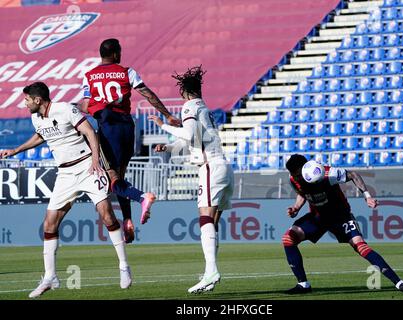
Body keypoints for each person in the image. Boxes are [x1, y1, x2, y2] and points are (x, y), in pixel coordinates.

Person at [0, 82, 132, 298]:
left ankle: (124, 266)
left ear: (37, 100)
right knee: (49, 223)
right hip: (65, 174)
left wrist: (96, 162)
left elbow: (90, 131)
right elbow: (41, 136)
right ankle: (50, 276)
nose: (24, 104)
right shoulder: (36, 118)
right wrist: (16, 150)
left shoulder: (65, 109)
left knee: (107, 215)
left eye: (26, 100)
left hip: (87, 166)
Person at [78, 38, 181, 244]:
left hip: (108, 129)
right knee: (121, 176)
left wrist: (90, 108)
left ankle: (142, 197)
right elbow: (148, 94)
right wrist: (168, 115)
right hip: (128, 127)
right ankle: (127, 220)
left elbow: (85, 104)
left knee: (112, 179)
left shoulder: (89, 76)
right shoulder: (127, 72)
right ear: (116, 54)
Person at [148, 66, 234, 294]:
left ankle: (212, 271)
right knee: (212, 224)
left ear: (184, 92)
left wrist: (163, 125)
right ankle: (209, 273)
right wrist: (168, 146)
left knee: (204, 220)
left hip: (210, 168)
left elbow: (187, 134)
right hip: (224, 167)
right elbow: (193, 138)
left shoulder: (188, 106)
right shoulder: (204, 108)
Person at [282, 154, 403, 294]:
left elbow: (353, 175)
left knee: (361, 247)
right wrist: (296, 207)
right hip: (318, 218)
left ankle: (399, 282)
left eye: (297, 174)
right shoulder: (293, 179)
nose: (294, 178)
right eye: (292, 175)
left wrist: (367, 197)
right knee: (288, 239)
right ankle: (303, 285)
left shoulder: (329, 174)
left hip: (341, 216)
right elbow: (303, 193)